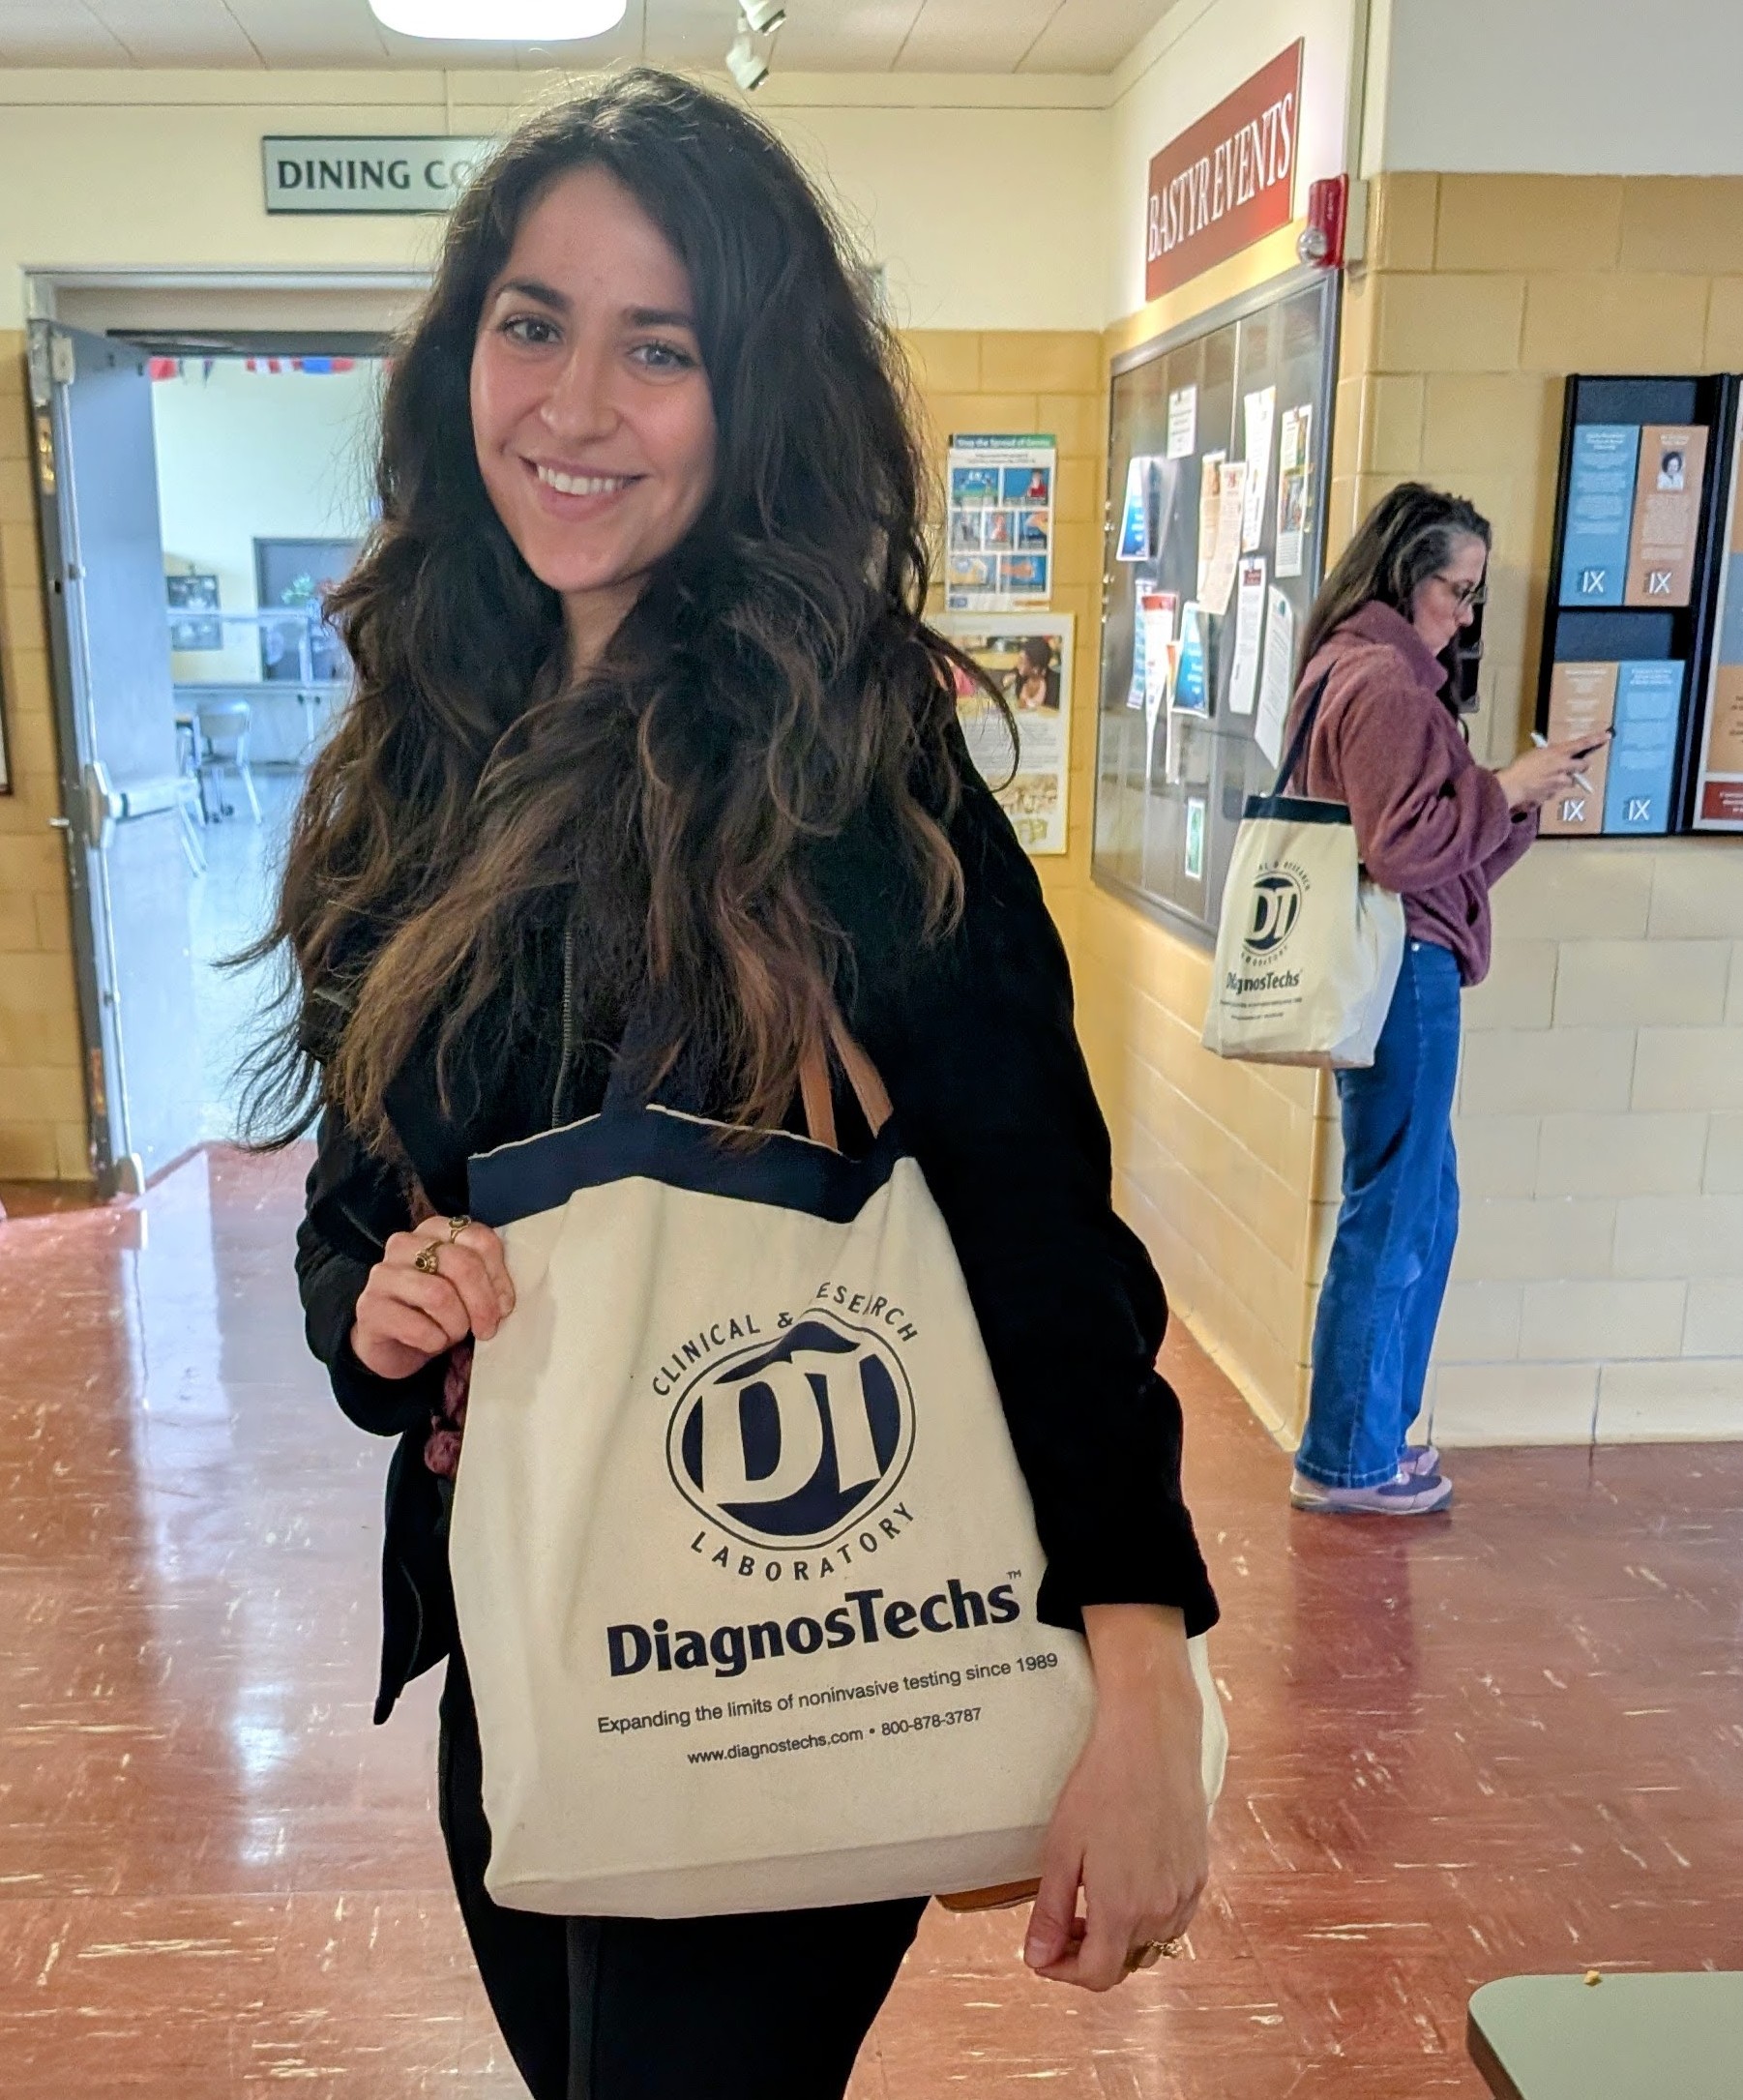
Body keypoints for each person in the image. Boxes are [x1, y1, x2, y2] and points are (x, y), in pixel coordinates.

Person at [254, 71, 1218, 2100]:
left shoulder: (853, 764)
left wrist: (1144, 1675)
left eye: (658, 346)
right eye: (534, 322)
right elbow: (360, 1181)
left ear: (748, 393)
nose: (576, 404)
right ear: (463, 358)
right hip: (527, 1626)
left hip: (777, 1631)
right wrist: (378, 1298)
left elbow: (1037, 1221)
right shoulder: (418, 740)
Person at [1281, 484, 1598, 1517]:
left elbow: (1439, 845)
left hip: (1397, 962)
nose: (1462, 615)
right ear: (1401, 574)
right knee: (1395, 1209)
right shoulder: (1381, 683)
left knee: (1420, 1201)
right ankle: (1348, 1456)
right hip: (1401, 972)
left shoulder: (1355, 666)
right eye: (1452, 591)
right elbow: (1404, 847)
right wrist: (1503, 786)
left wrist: (1515, 800)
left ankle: (1371, 1435)